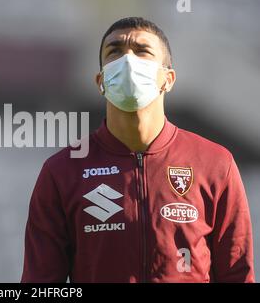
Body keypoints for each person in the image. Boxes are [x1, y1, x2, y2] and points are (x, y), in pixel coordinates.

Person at [21, 17, 255, 283]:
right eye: (115, 51)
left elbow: (237, 274)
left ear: (168, 79)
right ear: (101, 81)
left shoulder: (215, 163)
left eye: (142, 51)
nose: (128, 60)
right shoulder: (62, 170)